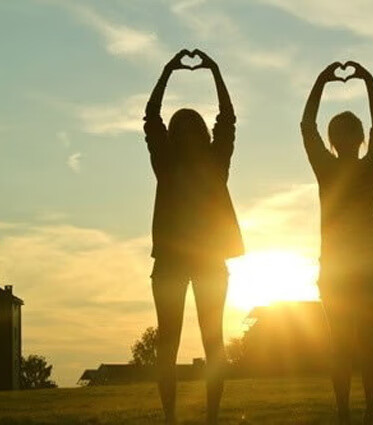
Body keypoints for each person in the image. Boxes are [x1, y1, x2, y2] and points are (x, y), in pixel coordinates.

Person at [143, 49, 244, 425]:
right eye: (179, 127)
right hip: (171, 262)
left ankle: (212, 416)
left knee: (212, 341)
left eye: (190, 127)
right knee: (167, 343)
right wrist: (168, 70)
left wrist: (215, 71)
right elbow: (151, 118)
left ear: (199, 134)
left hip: (206, 261)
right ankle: (171, 417)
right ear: (173, 135)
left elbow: (228, 120)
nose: (184, 133)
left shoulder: (215, 163)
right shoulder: (166, 165)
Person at [301, 61, 373, 425]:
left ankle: (347, 413)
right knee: (367, 344)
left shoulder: (328, 168)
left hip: (342, 267)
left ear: (333, 140)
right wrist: (368, 81)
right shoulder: (371, 165)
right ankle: (365, 412)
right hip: (365, 265)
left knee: (343, 345)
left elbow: (307, 126)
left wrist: (321, 81)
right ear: (358, 139)